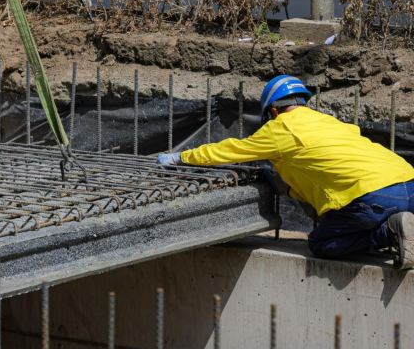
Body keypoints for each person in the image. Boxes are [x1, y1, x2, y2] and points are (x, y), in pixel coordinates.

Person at [158, 75, 414, 269]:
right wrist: (290, 189)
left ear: (273, 111)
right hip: (407, 180)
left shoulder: (280, 128)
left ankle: (389, 231)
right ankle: (403, 228)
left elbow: (229, 150)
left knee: (321, 243)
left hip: (373, 196)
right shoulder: (328, 122)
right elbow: (324, 173)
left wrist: (181, 157)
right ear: (302, 101)